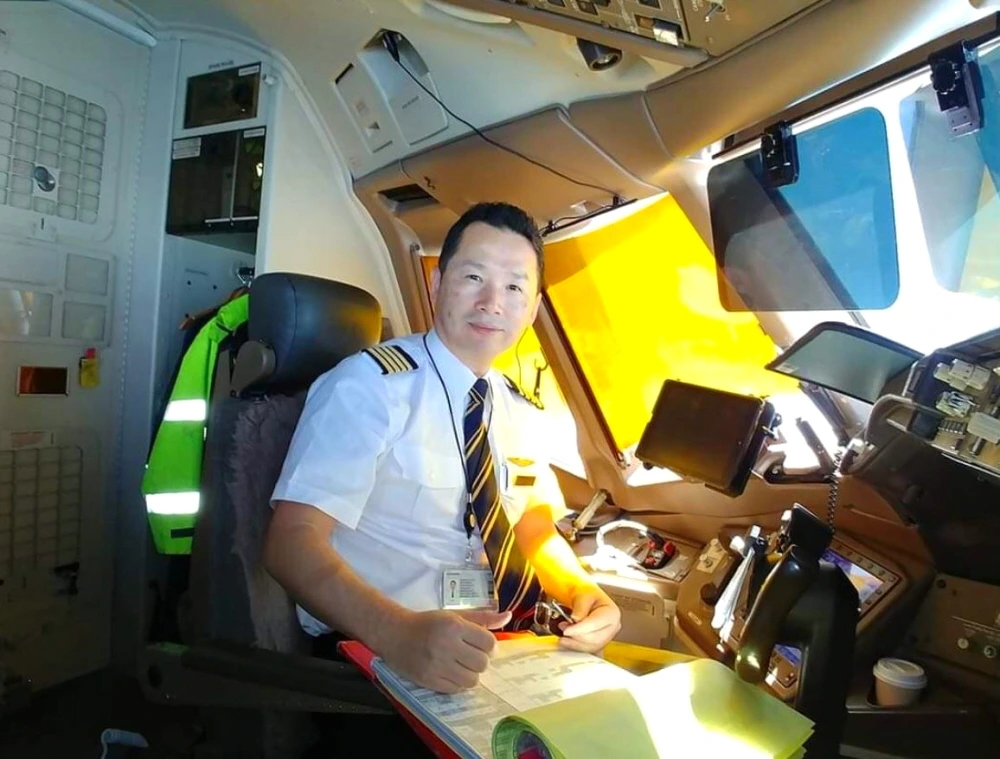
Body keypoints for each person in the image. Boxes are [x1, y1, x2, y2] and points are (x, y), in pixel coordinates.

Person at [263, 201, 621, 698]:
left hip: (493, 652)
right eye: (474, 277)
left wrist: (585, 593)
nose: (492, 302)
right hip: (376, 657)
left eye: (514, 287)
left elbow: (535, 528)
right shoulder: (369, 387)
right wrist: (397, 633)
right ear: (436, 284)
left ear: (532, 309)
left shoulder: (519, 409)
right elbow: (291, 542)